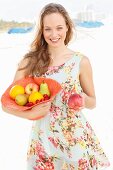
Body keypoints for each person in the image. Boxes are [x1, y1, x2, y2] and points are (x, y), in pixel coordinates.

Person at [2, 3, 110, 170]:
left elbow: (93, 102)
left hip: (75, 139)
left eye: (59, 28)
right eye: (48, 29)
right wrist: (31, 113)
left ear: (67, 27)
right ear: (42, 31)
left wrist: (82, 99)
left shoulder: (80, 61)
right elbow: (6, 104)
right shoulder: (30, 61)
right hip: (43, 141)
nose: (54, 34)